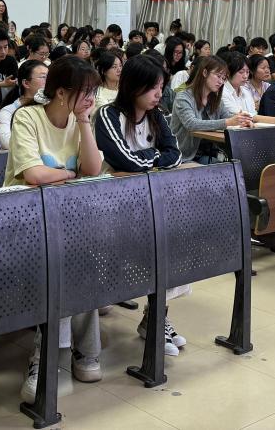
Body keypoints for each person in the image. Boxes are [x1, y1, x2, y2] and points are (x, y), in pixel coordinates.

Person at [3, 56, 103, 404]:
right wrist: (71, 174)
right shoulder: (27, 117)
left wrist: (85, 122)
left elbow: (93, 168)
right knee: (61, 261)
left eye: (93, 92)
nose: (91, 98)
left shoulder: (79, 121)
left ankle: (80, 352)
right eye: (85, 92)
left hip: (66, 218)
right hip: (22, 219)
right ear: (61, 92)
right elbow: (33, 174)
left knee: (82, 258)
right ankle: (48, 357)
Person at [93, 55, 188, 356]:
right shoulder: (108, 115)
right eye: (153, 87)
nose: (159, 94)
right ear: (134, 86)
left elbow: (175, 154)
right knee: (150, 252)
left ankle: (155, 317)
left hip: (150, 203)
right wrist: (155, 157)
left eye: (161, 87)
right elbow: (124, 160)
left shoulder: (156, 115)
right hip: (111, 207)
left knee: (174, 246)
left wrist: (150, 159)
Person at [170, 56, 252, 163]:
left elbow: (227, 117)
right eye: (218, 76)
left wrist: (242, 121)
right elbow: (191, 124)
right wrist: (228, 122)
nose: (221, 81)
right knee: (225, 167)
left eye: (223, 78)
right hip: (184, 155)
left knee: (238, 163)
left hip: (210, 153)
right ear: (205, 73)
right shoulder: (184, 96)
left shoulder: (215, 99)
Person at [220, 52, 275, 124]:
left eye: (247, 72)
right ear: (228, 73)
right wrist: (273, 120)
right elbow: (239, 115)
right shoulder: (222, 91)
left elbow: (253, 113)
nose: (245, 76)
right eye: (241, 72)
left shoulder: (245, 91)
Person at [0, 60, 48, 149]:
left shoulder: (50, 106)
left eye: (50, 77)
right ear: (26, 83)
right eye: (44, 77)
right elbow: (6, 142)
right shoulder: (8, 111)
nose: (49, 81)